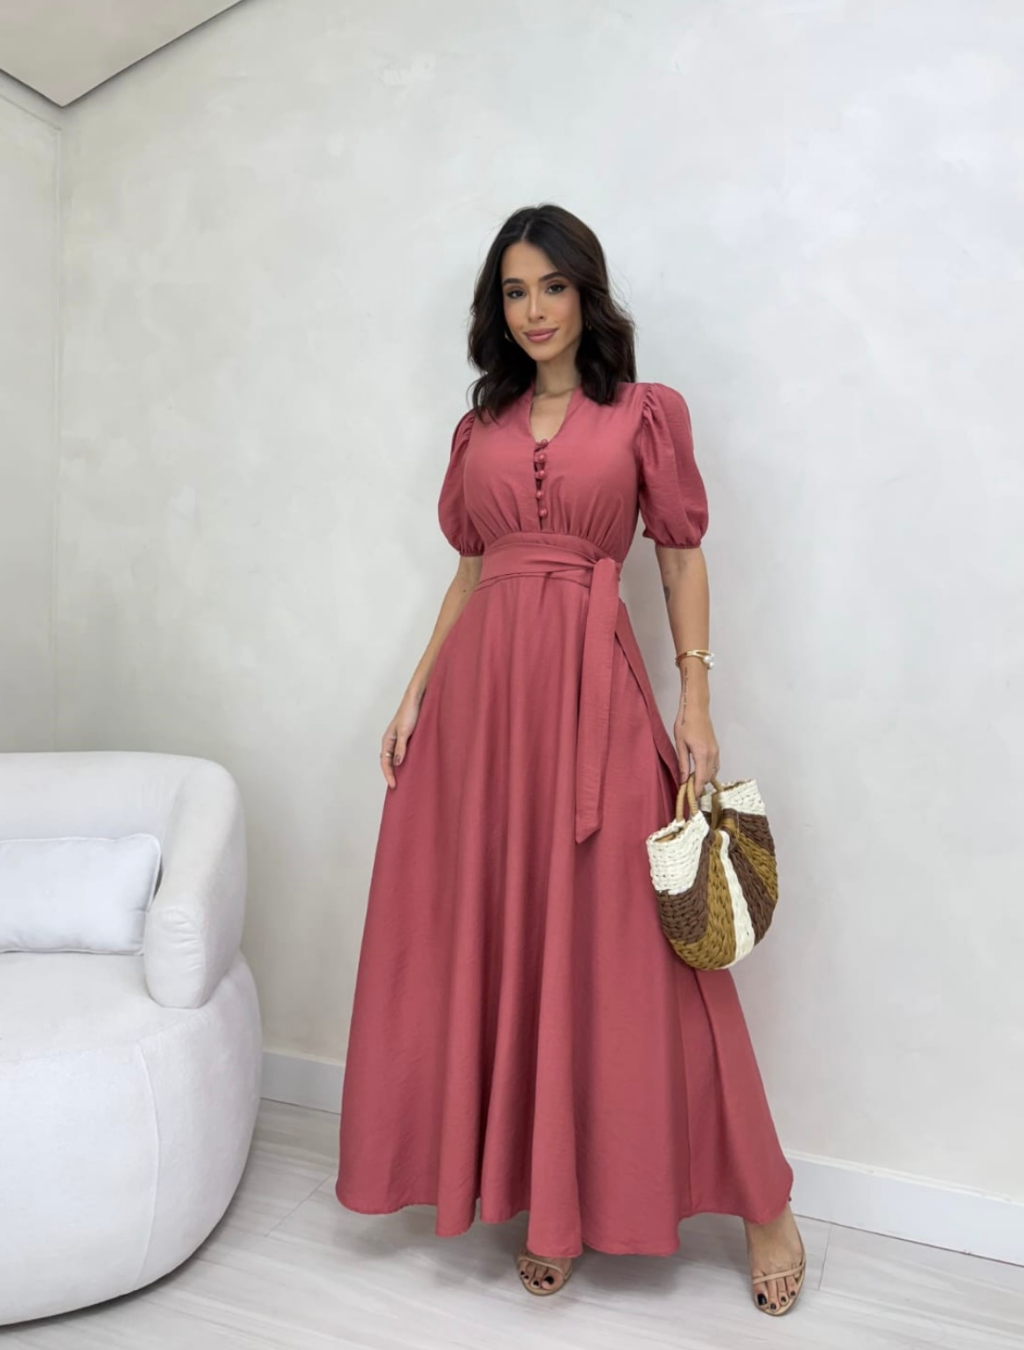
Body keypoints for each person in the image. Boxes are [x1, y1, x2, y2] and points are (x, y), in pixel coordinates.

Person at [335, 203, 805, 1317]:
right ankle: (550, 1207)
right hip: (483, 714)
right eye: (514, 291)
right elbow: (472, 571)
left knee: (646, 959)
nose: (534, 310)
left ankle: (765, 1203)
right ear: (495, 309)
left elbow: (680, 557)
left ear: (586, 295)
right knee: (508, 940)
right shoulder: (481, 429)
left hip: (594, 698)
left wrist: (695, 700)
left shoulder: (643, 414)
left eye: (551, 286)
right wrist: (414, 692)